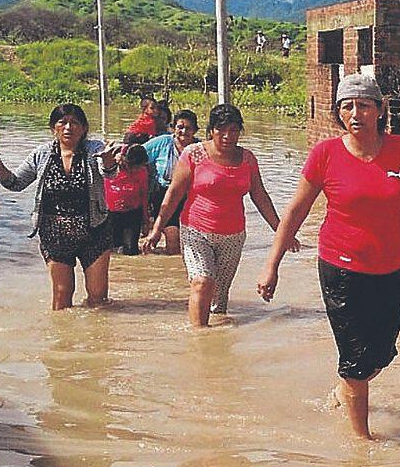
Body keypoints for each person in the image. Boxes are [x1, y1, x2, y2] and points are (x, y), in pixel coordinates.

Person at [257, 74, 400, 440]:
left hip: (394, 269)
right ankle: (363, 443)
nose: (356, 113)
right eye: (347, 106)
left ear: (380, 110)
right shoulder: (325, 155)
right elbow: (295, 212)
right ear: (338, 113)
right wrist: (272, 264)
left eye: (364, 105)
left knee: (381, 355)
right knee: (358, 365)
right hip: (340, 269)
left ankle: (346, 385)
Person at [146, 103, 292, 327]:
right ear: (211, 130)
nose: (227, 136)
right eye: (220, 130)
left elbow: (260, 196)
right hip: (196, 231)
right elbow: (174, 193)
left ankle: (217, 348)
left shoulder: (247, 159)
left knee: (219, 298)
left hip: (232, 236)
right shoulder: (193, 154)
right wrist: (157, 229)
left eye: (233, 130)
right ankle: (199, 338)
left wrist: (282, 231)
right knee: (202, 283)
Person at [0, 103, 120, 310]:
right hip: (54, 235)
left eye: (74, 123)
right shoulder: (41, 154)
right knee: (61, 297)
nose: (68, 128)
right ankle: (62, 340)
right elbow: (15, 183)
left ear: (84, 128)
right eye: (62, 122)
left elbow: (109, 173)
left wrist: (110, 161)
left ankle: (98, 340)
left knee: (98, 298)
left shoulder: (95, 150)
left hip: (95, 232)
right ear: (53, 128)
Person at [142, 109, 199, 255]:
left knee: (192, 245)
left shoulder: (200, 149)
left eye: (188, 128)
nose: (184, 131)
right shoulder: (162, 143)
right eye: (180, 127)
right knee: (174, 242)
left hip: (192, 199)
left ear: (195, 131)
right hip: (164, 196)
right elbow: (136, 155)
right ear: (173, 128)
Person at [104, 144, 151, 255]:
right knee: (111, 251)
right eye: (133, 166)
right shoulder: (110, 166)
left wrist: (145, 220)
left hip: (133, 214)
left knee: (130, 251)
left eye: (138, 167)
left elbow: (144, 195)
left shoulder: (142, 171)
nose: (135, 169)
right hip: (110, 214)